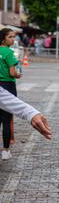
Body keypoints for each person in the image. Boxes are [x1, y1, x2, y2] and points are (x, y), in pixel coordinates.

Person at [0, 28, 22, 160]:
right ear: (3, 38)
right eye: (10, 37)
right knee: (7, 119)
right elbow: (13, 73)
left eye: (14, 37)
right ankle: (5, 150)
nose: (13, 40)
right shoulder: (9, 53)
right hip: (7, 86)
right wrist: (18, 75)